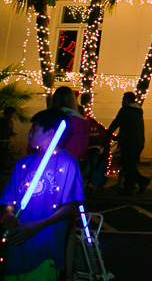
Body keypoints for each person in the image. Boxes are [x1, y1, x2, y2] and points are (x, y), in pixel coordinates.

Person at [1, 108, 84, 281]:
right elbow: (9, 198)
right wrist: (7, 215)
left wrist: (37, 226)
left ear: (51, 132)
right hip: (17, 246)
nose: (30, 133)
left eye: (35, 129)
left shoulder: (68, 164)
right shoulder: (23, 164)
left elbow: (70, 206)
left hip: (45, 247)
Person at [48, 86, 88, 279]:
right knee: (69, 227)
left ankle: (47, 269)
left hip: (47, 174)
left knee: (45, 223)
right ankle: (68, 273)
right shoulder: (81, 123)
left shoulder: (49, 119)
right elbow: (82, 151)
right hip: (69, 176)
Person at [107, 92, 150, 195]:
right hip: (138, 142)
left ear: (129, 100)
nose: (122, 101)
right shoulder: (138, 111)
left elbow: (116, 122)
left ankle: (142, 180)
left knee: (125, 164)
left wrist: (107, 134)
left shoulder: (126, 110)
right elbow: (131, 128)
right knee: (131, 164)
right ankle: (128, 187)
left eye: (124, 99)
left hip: (129, 143)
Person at [49, 86, 89, 163]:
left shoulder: (46, 118)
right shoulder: (81, 121)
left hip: (47, 161)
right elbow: (83, 146)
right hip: (70, 161)